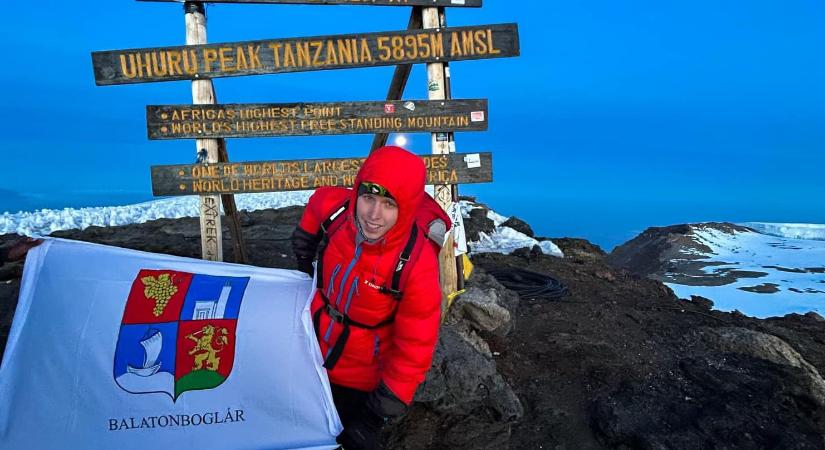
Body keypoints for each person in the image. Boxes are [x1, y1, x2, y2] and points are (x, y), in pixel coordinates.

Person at [291, 146, 450, 450]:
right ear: (356, 195)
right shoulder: (340, 212)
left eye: (389, 204)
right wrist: (304, 247)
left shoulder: (416, 267)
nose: (374, 215)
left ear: (406, 207)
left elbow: (413, 352)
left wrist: (374, 418)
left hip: (359, 378)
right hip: (308, 350)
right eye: (368, 198)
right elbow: (317, 203)